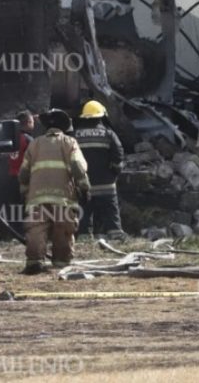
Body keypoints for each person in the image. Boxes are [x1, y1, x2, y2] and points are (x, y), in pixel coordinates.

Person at [18, 109, 89, 274]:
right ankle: (61, 262)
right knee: (63, 231)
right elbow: (78, 167)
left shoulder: (34, 144)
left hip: (36, 198)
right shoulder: (69, 142)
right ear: (63, 127)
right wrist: (84, 187)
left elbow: (23, 173)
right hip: (63, 198)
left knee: (36, 229)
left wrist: (24, 191)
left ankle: (34, 261)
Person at [73, 101, 126, 240]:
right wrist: (115, 171)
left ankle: (84, 238)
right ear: (101, 116)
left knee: (84, 212)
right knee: (111, 212)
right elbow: (118, 154)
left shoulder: (75, 136)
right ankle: (116, 236)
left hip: (84, 184)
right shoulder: (108, 134)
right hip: (106, 184)